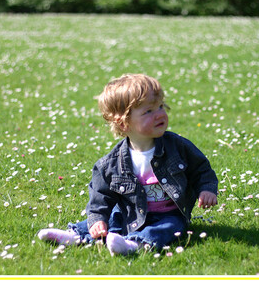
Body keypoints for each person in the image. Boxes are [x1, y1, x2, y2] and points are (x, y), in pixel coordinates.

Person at [38, 74, 218, 256]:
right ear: (123, 123)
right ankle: (76, 235)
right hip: (130, 212)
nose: (159, 114)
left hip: (169, 214)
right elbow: (101, 195)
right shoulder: (111, 163)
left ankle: (134, 244)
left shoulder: (178, 147)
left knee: (170, 227)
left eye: (161, 106)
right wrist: (98, 219)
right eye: (148, 111)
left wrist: (207, 189)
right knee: (113, 218)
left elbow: (201, 169)